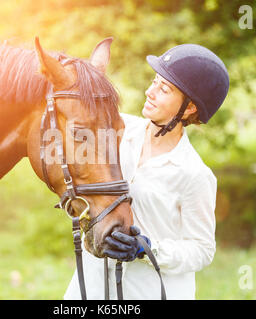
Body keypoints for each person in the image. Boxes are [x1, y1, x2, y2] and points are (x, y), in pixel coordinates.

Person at [64, 43, 229, 300]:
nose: (149, 92)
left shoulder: (195, 174)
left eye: (163, 89)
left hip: (148, 291)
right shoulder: (117, 130)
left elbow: (202, 249)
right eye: (154, 82)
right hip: (92, 285)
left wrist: (148, 249)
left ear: (189, 108)